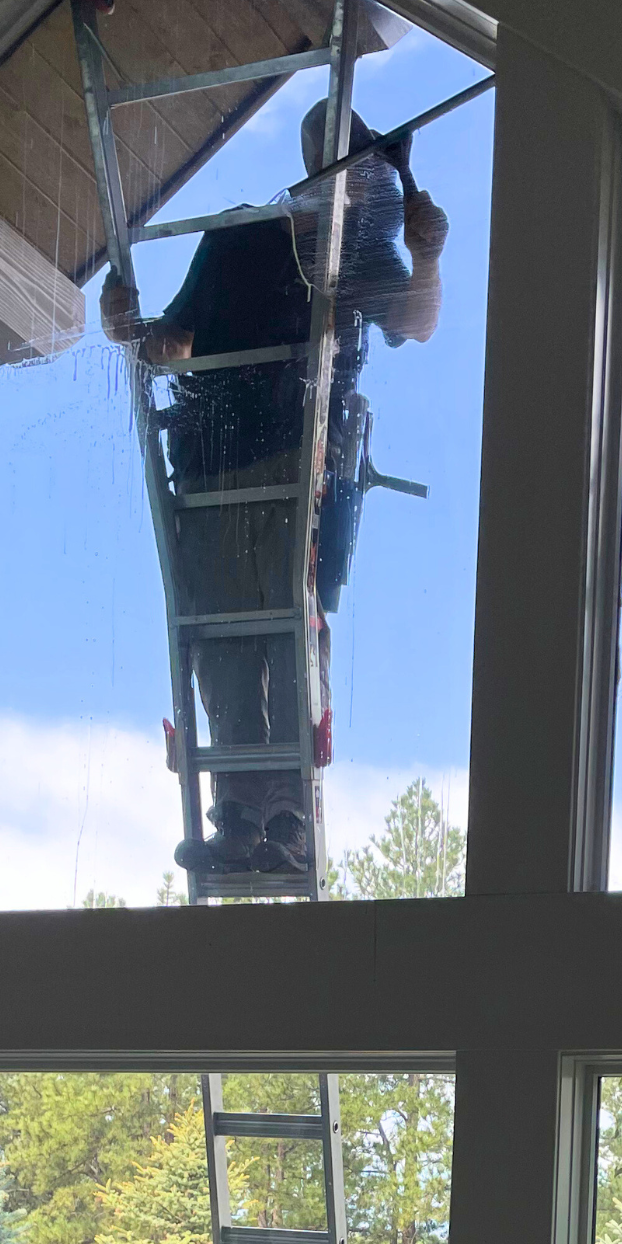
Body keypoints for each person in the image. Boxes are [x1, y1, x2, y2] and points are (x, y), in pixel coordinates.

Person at [107, 101, 449, 876]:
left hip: (304, 474)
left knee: (287, 633)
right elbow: (177, 340)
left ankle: (288, 824)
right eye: (346, 173)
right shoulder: (241, 237)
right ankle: (237, 821)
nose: (355, 193)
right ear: (315, 172)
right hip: (215, 466)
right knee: (226, 640)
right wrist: (127, 329)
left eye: (364, 179)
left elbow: (417, 320)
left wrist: (425, 259)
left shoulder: (353, 253)